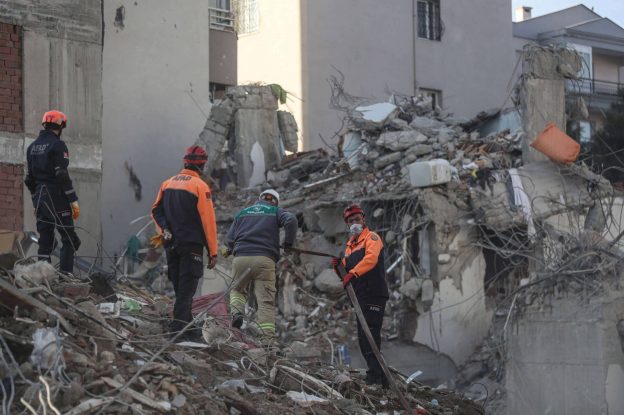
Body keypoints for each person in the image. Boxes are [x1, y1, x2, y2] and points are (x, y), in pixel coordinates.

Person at [151, 145, 218, 341]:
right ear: (202, 165)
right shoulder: (200, 187)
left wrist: (164, 229)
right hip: (191, 246)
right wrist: (213, 252)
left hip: (171, 245)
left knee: (181, 289)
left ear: (185, 162)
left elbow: (155, 211)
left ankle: (190, 329)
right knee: (187, 290)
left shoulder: (167, 184)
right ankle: (178, 332)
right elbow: (208, 222)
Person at [223, 189, 297, 345]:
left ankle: (237, 313)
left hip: (241, 258)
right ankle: (267, 341)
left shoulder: (242, 213)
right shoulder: (275, 211)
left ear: (260, 199)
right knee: (265, 302)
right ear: (275, 201)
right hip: (265, 259)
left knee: (237, 290)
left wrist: (229, 248)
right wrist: (288, 244)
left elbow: (229, 240)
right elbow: (291, 220)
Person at [332, 203, 389, 387]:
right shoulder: (350, 246)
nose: (354, 223)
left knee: (370, 335)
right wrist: (338, 267)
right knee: (364, 339)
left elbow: (370, 259)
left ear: (363, 219)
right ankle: (380, 378)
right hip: (359, 296)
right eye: (350, 221)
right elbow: (345, 273)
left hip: (374, 293)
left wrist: (352, 273)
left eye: (357, 219)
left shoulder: (372, 238)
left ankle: (377, 378)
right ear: (347, 224)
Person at [25, 110, 81, 275]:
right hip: (56, 196)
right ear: (61, 126)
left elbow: (29, 179)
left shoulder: (32, 147)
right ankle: (65, 278)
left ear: (45, 124)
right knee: (70, 239)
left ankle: (43, 277)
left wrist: (35, 201)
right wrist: (73, 200)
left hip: (39, 198)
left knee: (45, 241)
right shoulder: (58, 145)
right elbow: (61, 174)